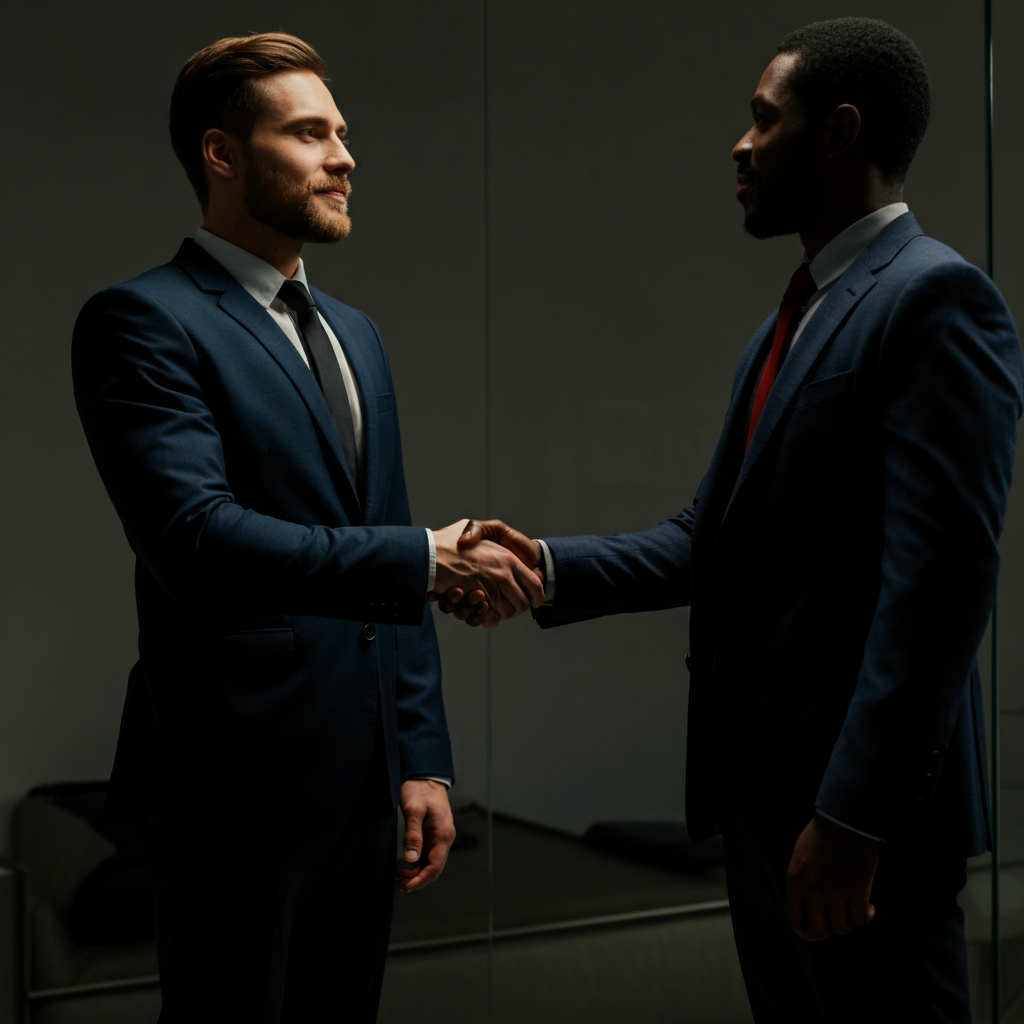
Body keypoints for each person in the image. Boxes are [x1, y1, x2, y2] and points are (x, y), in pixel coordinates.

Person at [439, 18, 1023, 1022]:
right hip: (768, 816)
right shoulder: (790, 319)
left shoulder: (937, 300)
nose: (739, 143)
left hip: (854, 835)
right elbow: (707, 538)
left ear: (837, 133)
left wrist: (851, 816)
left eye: (763, 118)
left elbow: (938, 588)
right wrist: (546, 566)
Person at [72, 32, 543, 1024]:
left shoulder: (355, 331)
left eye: (343, 132)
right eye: (309, 132)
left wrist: (419, 756)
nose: (344, 155)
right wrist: (423, 557)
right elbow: (193, 540)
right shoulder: (140, 321)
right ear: (222, 154)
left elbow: (389, 536)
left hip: (364, 781)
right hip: (230, 780)